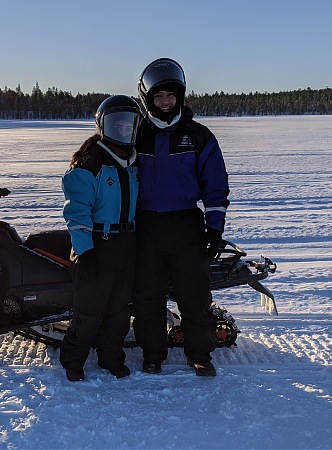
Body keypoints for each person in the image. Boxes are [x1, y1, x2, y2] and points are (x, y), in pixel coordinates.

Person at [132, 57, 230, 377]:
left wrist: (214, 229)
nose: (165, 102)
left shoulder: (198, 136)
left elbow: (215, 186)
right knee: (148, 295)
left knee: (194, 293)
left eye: (171, 95)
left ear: (180, 97)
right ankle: (153, 354)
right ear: (148, 98)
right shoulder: (135, 134)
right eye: (159, 96)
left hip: (185, 225)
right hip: (144, 226)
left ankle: (200, 353)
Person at [59, 94, 142, 382]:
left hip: (125, 244)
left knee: (119, 310)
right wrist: (86, 252)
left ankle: (111, 358)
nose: (123, 129)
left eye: (129, 124)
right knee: (89, 310)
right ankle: (73, 361)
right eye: (117, 123)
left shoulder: (132, 161)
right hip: (96, 245)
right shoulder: (88, 164)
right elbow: (77, 213)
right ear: (103, 125)